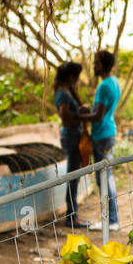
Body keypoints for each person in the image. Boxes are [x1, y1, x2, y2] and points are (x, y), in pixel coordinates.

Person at [53, 61, 91, 229]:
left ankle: (73, 214)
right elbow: (66, 118)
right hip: (71, 137)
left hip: (72, 135)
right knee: (73, 178)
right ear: (70, 76)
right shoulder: (63, 94)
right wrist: (85, 116)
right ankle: (71, 216)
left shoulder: (67, 92)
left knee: (74, 177)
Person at [90, 49, 122, 230]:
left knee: (103, 178)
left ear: (101, 65)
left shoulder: (103, 86)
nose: (93, 66)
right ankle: (112, 218)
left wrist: (79, 116)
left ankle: (110, 220)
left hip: (101, 136)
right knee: (107, 177)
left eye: (95, 63)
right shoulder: (114, 82)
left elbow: (98, 116)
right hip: (109, 133)